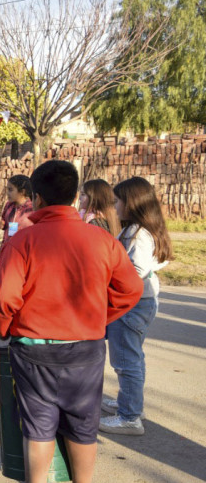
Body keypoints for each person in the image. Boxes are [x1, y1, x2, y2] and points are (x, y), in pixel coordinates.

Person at [0, 160, 143, 483]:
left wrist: (6, 327)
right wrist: (99, 318)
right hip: (86, 347)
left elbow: (4, 296)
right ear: (75, 196)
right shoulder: (102, 239)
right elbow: (131, 289)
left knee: (38, 425)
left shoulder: (24, 240)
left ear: (38, 197)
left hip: (34, 347)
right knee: (83, 423)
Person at [100, 177, 173, 436]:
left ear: (132, 203)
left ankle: (130, 417)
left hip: (131, 306)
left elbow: (138, 269)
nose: (114, 205)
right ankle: (129, 403)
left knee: (125, 360)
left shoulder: (138, 233)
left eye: (118, 200)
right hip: (140, 303)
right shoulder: (140, 229)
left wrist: (111, 277)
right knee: (133, 357)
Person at [0, 175, 34, 251]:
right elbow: (5, 221)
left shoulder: (32, 209)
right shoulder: (8, 205)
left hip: (23, 251)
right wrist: (2, 224)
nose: (7, 193)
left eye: (10, 190)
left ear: (22, 192)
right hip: (7, 248)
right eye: (7, 189)